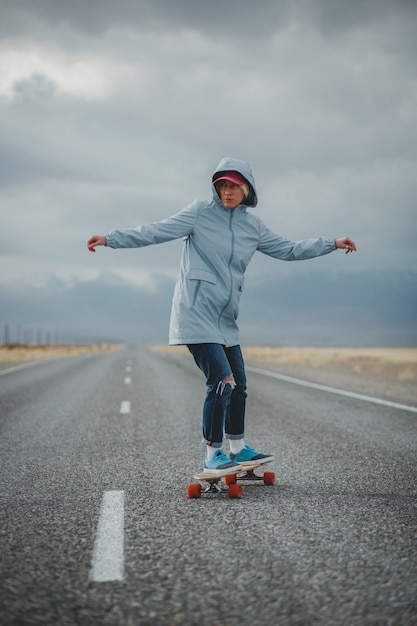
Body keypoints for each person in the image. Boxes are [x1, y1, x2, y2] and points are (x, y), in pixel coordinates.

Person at [87, 157, 357, 475]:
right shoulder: (199, 213)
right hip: (196, 313)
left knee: (239, 384)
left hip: (226, 320)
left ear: (247, 188)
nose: (227, 191)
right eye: (222, 185)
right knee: (221, 382)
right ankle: (212, 453)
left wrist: (332, 243)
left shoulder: (252, 226)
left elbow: (289, 249)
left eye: (234, 185)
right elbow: (155, 232)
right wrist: (111, 239)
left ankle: (238, 449)